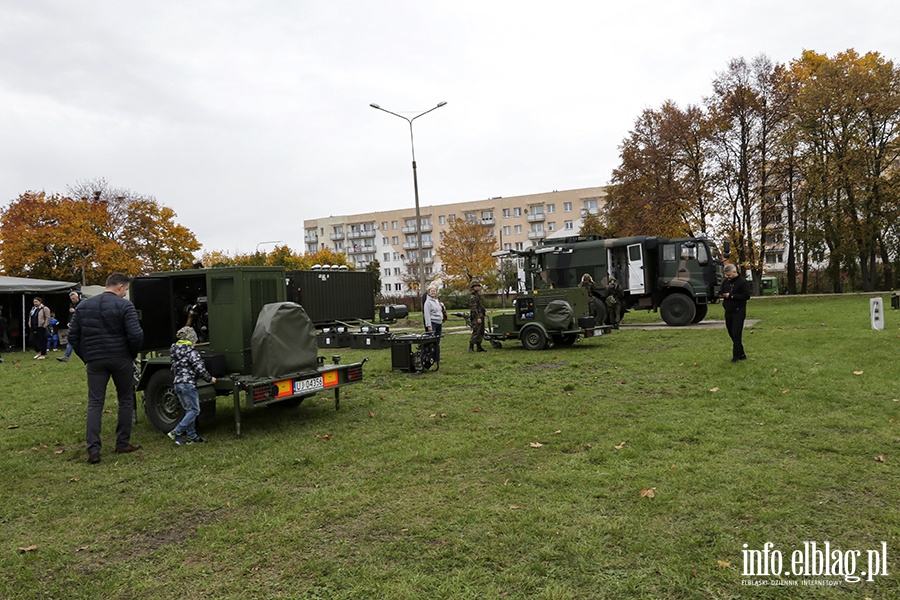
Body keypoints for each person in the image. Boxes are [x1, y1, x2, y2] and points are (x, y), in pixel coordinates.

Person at [68, 273, 144, 464]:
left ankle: (93, 450)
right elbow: (135, 335)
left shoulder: (83, 306)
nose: (125, 292)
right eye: (125, 289)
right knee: (125, 399)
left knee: (95, 403)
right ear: (119, 286)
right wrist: (131, 354)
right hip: (121, 358)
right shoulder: (125, 305)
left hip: (94, 359)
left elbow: (73, 336)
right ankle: (122, 442)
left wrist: (86, 356)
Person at [166, 326, 216, 446]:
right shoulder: (192, 352)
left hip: (177, 383)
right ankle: (176, 431)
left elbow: (173, 369)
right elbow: (199, 369)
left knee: (189, 410)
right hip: (188, 384)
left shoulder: (175, 351)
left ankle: (191, 437)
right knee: (194, 410)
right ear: (192, 340)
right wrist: (210, 378)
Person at [721, 264, 751, 363]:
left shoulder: (742, 282)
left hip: (739, 311)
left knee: (736, 333)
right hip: (728, 311)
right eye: (726, 275)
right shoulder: (726, 282)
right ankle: (742, 353)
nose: (727, 277)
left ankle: (736, 356)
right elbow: (722, 291)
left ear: (735, 272)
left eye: (729, 275)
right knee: (731, 333)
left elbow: (746, 295)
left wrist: (732, 296)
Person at [423, 286, 445, 367]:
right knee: (432, 342)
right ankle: (430, 358)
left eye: (434, 291)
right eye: (431, 291)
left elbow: (441, 310)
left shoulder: (437, 301)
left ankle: (437, 358)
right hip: (433, 323)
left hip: (439, 323)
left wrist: (443, 306)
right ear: (429, 292)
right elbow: (427, 315)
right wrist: (429, 326)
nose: (433, 292)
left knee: (437, 341)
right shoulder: (428, 302)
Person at [57, 291, 81, 362]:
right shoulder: (71, 304)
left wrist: (75, 311)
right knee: (70, 340)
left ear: (77, 297)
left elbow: (84, 313)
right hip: (74, 325)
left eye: (73, 298)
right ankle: (66, 356)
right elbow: (70, 315)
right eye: (71, 299)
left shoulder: (83, 303)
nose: (72, 300)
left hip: (82, 325)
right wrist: (69, 322)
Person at [468, 279, 487, 353]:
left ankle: (479, 346)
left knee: (481, 332)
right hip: (476, 316)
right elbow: (473, 308)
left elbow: (480, 306)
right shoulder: (472, 296)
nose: (477, 288)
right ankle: (471, 347)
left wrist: (484, 312)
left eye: (478, 286)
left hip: (481, 315)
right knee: (476, 332)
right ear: (473, 287)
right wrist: (478, 317)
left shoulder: (478, 295)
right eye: (476, 286)